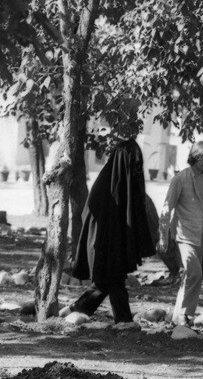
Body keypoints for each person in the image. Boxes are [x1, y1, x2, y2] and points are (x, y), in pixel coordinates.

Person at [61, 138, 155, 323]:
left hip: (116, 244)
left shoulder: (128, 184)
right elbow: (90, 214)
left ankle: (78, 308)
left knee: (104, 283)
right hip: (103, 243)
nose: (135, 166)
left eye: (138, 161)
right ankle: (124, 321)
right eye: (132, 160)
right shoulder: (105, 184)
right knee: (115, 280)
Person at [157, 141, 203, 326]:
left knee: (191, 276)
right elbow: (167, 208)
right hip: (182, 234)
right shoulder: (180, 179)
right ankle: (185, 314)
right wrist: (163, 235)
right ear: (195, 157)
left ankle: (178, 317)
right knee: (194, 272)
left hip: (201, 234)